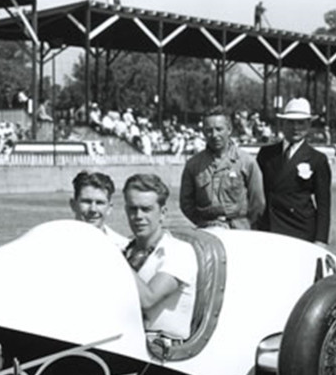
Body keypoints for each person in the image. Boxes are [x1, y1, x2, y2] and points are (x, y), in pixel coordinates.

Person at [122, 174, 197, 341]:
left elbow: (148, 299)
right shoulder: (125, 249)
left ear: (162, 213)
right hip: (126, 346)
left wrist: (114, 259)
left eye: (146, 209)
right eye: (132, 209)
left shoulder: (180, 252)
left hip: (162, 354)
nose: (138, 216)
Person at [256, 97, 332, 245]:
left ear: (309, 125)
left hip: (301, 229)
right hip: (269, 228)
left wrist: (321, 239)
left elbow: (324, 204)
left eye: (301, 122)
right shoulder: (266, 154)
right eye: (291, 122)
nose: (295, 127)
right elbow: (255, 192)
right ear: (282, 124)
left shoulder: (317, 159)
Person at [179, 106, 265, 229]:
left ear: (229, 130)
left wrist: (244, 225)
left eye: (219, 129)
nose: (214, 135)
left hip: (239, 231)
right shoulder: (193, 165)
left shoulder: (246, 162)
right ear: (203, 132)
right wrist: (203, 222)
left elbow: (258, 203)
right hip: (207, 230)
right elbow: (186, 203)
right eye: (209, 130)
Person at [68, 170, 126, 249]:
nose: (93, 209)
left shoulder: (122, 247)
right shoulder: (55, 243)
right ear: (73, 204)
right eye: (86, 202)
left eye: (99, 203)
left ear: (109, 208)